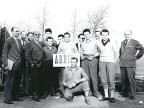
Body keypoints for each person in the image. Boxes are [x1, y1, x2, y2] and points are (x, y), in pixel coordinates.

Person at [119, 30, 144, 100]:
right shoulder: (122, 42)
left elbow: (142, 49)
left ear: (131, 34)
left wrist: (136, 57)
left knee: (131, 79)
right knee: (124, 80)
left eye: (128, 34)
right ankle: (125, 93)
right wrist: (120, 58)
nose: (126, 35)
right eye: (125, 34)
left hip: (130, 63)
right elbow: (120, 51)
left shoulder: (135, 42)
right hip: (122, 63)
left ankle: (133, 94)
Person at [2, 27, 23, 104]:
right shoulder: (9, 41)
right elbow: (4, 53)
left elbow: (20, 52)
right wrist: (6, 64)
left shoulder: (18, 40)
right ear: (12, 32)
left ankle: (14, 96)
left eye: (18, 31)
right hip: (11, 63)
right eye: (16, 31)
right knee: (9, 82)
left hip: (18, 64)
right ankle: (7, 98)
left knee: (16, 81)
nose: (18, 32)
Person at [97, 29, 119, 103]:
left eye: (106, 35)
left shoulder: (112, 42)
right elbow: (98, 52)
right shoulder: (99, 43)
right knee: (103, 78)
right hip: (102, 61)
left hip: (110, 62)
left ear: (108, 35)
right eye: (103, 35)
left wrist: (114, 61)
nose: (104, 36)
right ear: (101, 35)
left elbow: (117, 53)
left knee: (111, 79)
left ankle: (112, 96)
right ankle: (106, 96)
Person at [81, 29, 101, 99]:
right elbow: (81, 51)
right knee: (86, 76)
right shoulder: (83, 43)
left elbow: (100, 51)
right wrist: (82, 57)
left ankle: (96, 93)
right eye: (85, 34)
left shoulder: (95, 42)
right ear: (84, 35)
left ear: (90, 34)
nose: (86, 36)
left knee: (94, 76)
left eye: (88, 34)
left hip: (93, 59)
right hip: (85, 59)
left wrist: (93, 56)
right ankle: (87, 92)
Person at [25, 31, 44, 102]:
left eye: (39, 34)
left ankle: (39, 94)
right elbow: (27, 55)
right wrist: (32, 63)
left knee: (39, 79)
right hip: (34, 65)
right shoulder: (30, 44)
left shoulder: (41, 43)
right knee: (34, 80)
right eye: (36, 34)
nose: (37, 36)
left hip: (41, 64)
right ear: (33, 35)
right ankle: (35, 95)